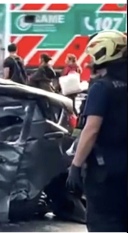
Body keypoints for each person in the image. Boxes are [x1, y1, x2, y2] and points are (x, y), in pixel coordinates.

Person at [66, 30, 127, 232]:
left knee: (104, 223)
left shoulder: (102, 87)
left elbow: (91, 130)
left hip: (106, 173)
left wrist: (75, 166)